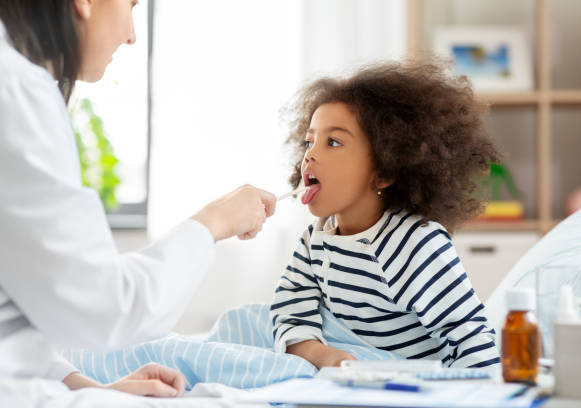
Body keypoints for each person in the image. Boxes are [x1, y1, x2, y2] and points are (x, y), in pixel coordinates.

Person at [0, 0, 276, 398]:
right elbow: (103, 309)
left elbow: (19, 312)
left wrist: (94, 388)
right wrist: (214, 222)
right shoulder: (18, 92)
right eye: (131, 5)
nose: (131, 35)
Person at [271, 60, 502, 369]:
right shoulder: (315, 241)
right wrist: (317, 354)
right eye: (309, 141)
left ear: (384, 171)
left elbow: (471, 339)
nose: (310, 154)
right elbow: (290, 308)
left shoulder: (416, 245)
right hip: (350, 377)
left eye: (334, 142)